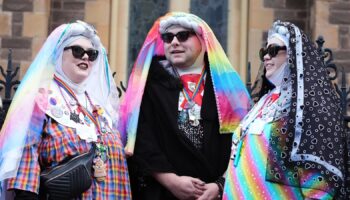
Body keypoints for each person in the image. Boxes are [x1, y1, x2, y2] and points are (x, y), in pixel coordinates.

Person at [118, 12, 250, 200]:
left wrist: (220, 186)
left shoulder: (225, 87)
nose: (174, 42)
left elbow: (243, 143)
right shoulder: (148, 85)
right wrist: (171, 181)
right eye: (167, 37)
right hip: (163, 192)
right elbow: (141, 140)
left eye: (183, 35)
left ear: (202, 41)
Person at [0, 20, 132, 199]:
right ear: (59, 53)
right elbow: (26, 163)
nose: (85, 57)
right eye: (77, 51)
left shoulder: (101, 108)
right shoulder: (40, 101)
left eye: (92, 54)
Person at [223, 20, 347, 199]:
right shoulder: (264, 101)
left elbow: (320, 183)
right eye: (264, 51)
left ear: (294, 55)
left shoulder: (310, 106)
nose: (266, 57)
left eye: (273, 51)